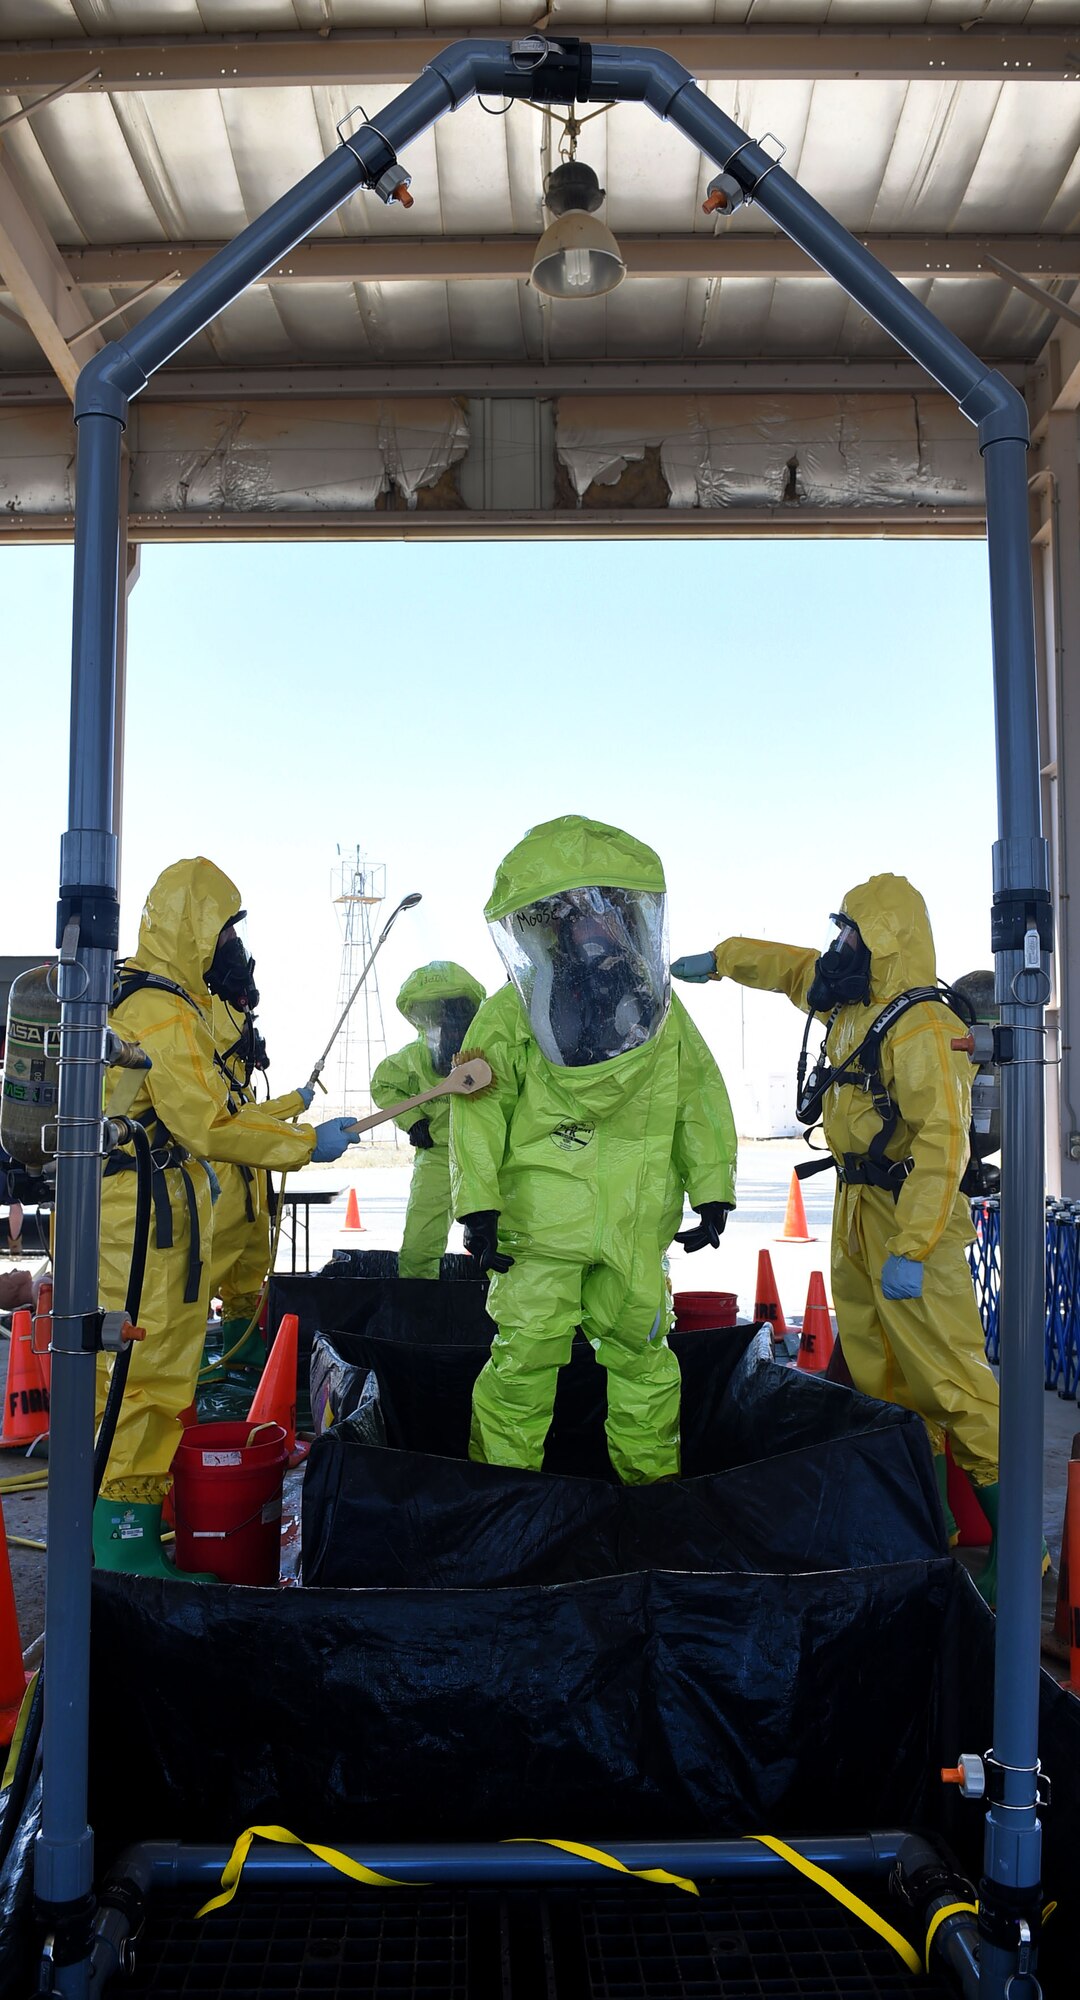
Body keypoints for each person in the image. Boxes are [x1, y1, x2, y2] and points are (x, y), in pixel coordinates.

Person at [672, 873, 1012, 1602]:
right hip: (855, 1207)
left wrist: (914, 1249)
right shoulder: (849, 1003)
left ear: (884, 939)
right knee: (884, 1375)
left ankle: (1019, 1558)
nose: (837, 944)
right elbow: (792, 968)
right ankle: (925, 1530)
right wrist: (724, 958)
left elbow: (944, 1145)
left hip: (908, 1219)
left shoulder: (919, 1026)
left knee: (953, 1381)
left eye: (850, 931)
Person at [451, 814, 737, 1484]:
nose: (593, 926)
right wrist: (479, 1208)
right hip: (539, 1233)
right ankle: (503, 1506)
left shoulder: (662, 1013)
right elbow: (478, 1111)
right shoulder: (515, 1013)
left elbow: (699, 1099)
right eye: (576, 913)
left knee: (643, 1363)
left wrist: (713, 1188)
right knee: (523, 1365)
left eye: (605, 909)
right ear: (548, 924)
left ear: (633, 916)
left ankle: (649, 1504)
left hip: (633, 1228)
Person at [95, 856, 360, 1578]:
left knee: (149, 1371)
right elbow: (211, 1121)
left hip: (152, 1216)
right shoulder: (162, 1013)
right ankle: (120, 1546)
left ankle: (132, 1530)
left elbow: (210, 1113)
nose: (228, 950)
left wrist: (293, 1120)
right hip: (142, 1223)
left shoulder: (152, 1002)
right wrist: (304, 1143)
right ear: (195, 932)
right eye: (221, 932)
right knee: (141, 1375)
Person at [208, 966, 313, 1368]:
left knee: (248, 1270)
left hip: (250, 1189)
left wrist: (294, 1102)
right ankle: (176, 1369)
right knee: (201, 1277)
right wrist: (298, 1118)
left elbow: (250, 1114)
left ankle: (243, 1352)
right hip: (224, 1187)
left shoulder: (236, 1078)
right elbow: (236, 1124)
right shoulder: (210, 1074)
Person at [370, 962, 486, 1279]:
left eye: (458, 1015)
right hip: (437, 1157)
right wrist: (413, 1119)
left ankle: (499, 1313)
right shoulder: (414, 1057)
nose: (450, 1024)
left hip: (487, 1156)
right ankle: (417, 1311)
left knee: (503, 1243)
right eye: (442, 1017)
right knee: (420, 1244)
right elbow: (383, 1084)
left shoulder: (492, 1052)